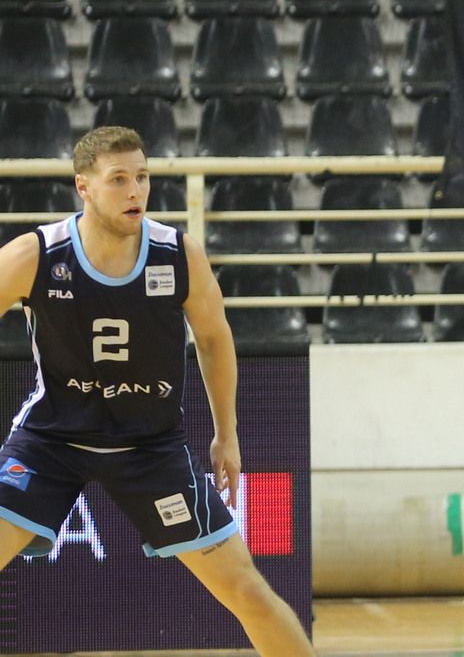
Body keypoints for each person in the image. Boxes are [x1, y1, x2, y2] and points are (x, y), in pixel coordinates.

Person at [0, 127, 313, 656]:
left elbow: (213, 339)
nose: (135, 191)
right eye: (118, 179)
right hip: (51, 442)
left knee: (249, 593)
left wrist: (227, 434)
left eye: (142, 177)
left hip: (151, 449)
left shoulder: (177, 254)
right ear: (84, 187)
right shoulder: (37, 253)